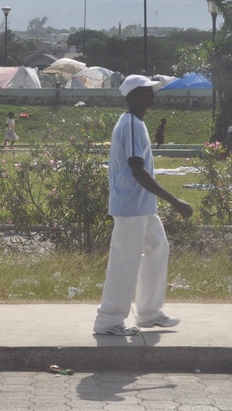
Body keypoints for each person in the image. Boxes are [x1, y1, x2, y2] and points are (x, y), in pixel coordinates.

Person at [93, 75, 193, 336]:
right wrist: (174, 201)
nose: (153, 96)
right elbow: (137, 170)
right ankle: (109, 319)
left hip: (141, 206)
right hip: (131, 207)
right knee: (124, 261)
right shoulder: (132, 125)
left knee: (158, 247)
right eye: (149, 91)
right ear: (134, 95)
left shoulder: (135, 123)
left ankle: (149, 312)